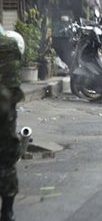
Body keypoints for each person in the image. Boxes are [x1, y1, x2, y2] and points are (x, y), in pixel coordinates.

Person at [0, 26, 25, 221]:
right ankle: (7, 211)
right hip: (5, 111)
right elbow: (16, 80)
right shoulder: (10, 44)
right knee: (7, 159)